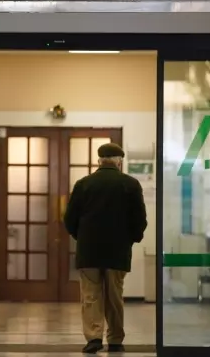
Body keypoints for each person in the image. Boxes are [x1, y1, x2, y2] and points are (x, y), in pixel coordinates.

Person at [64, 143, 147, 354]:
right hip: (118, 251)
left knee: (91, 295)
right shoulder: (130, 184)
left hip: (89, 250)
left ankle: (93, 338)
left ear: (99, 161)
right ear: (119, 161)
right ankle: (116, 338)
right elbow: (139, 220)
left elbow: (69, 219)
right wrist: (131, 239)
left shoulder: (84, 184)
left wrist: (81, 236)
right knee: (115, 296)